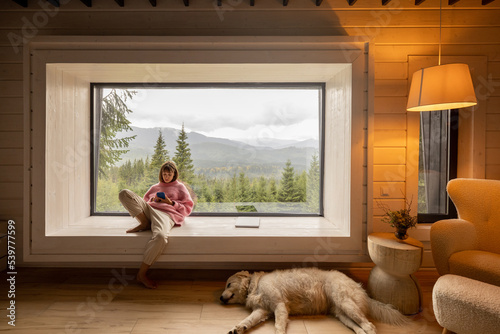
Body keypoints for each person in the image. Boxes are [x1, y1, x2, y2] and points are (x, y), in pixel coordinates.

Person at [118, 161, 194, 289]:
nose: (166, 177)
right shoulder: (154, 187)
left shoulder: (180, 187)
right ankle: (144, 222)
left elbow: (187, 208)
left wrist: (170, 202)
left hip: (165, 214)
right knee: (124, 193)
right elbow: (144, 201)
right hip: (149, 210)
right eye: (164, 174)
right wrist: (153, 200)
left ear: (174, 174)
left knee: (160, 237)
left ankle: (141, 274)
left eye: (169, 174)